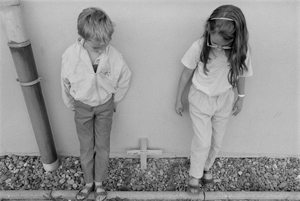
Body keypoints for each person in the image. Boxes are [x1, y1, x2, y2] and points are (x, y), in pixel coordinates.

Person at [175, 5, 252, 194]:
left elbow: (241, 76)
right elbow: (186, 73)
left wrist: (240, 98)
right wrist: (178, 98)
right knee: (202, 141)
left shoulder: (242, 51)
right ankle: (195, 174)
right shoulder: (200, 46)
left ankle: (207, 167)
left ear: (235, 39)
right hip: (200, 99)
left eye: (221, 45)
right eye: (213, 41)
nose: (216, 47)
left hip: (224, 99)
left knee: (216, 140)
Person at [61, 7, 132, 201]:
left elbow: (125, 77)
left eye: (105, 43)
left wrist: (115, 99)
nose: (101, 48)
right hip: (81, 105)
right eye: (96, 46)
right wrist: (70, 103)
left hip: (104, 106)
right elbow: (65, 81)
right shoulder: (71, 55)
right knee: (86, 146)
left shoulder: (114, 56)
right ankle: (88, 182)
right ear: (83, 37)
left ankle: (99, 182)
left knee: (102, 145)